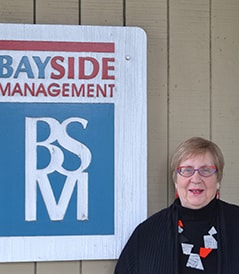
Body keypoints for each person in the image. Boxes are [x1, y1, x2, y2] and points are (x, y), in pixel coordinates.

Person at [114, 137, 239, 273]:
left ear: (218, 180)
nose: (196, 179)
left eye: (206, 170)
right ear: (176, 180)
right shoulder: (146, 234)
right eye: (187, 170)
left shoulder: (235, 221)